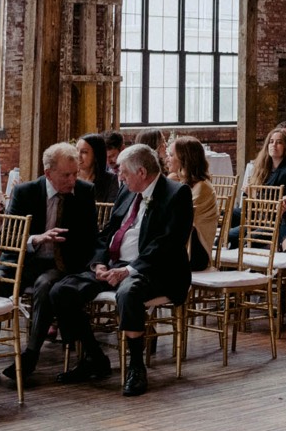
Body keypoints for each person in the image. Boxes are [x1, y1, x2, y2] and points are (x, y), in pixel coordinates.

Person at [50, 143, 191, 397]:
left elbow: (168, 244)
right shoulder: (127, 190)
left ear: (142, 172)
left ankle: (136, 367)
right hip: (116, 264)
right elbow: (108, 232)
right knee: (62, 290)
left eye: (124, 172)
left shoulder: (176, 194)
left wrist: (129, 271)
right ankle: (94, 356)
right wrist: (99, 263)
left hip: (156, 270)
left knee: (128, 293)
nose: (120, 178)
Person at [1, 141, 98, 383]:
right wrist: (36, 239)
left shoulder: (85, 192)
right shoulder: (25, 192)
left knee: (45, 285)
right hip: (26, 258)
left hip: (61, 263)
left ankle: (31, 354)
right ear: (48, 173)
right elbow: (7, 236)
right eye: (66, 175)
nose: (72, 180)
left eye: (75, 173)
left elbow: (90, 238)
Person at [228, 125, 286, 245]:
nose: (274, 145)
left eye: (279, 142)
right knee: (227, 235)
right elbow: (248, 203)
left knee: (246, 240)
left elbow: (276, 206)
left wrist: (254, 194)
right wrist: (248, 193)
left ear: (285, 148)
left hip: (273, 222)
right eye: (271, 142)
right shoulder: (263, 169)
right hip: (256, 217)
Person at [166, 135, 217, 272]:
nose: (167, 159)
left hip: (194, 252)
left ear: (184, 159)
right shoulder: (181, 182)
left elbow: (178, 218)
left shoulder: (202, 187)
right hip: (181, 246)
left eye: (171, 155)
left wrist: (169, 188)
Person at [76, 133, 119, 203]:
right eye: (76, 150)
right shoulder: (69, 177)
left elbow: (110, 207)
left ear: (96, 155)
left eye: (84, 152)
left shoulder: (111, 180)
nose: (78, 156)